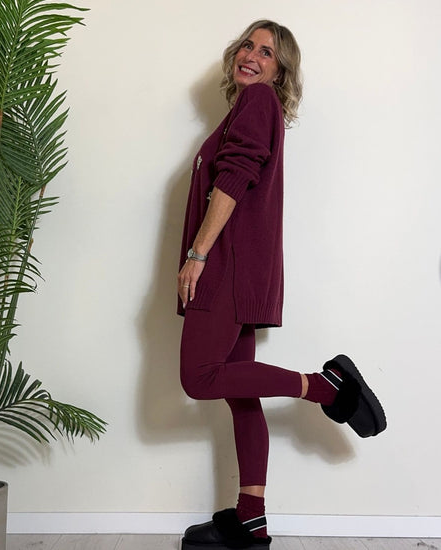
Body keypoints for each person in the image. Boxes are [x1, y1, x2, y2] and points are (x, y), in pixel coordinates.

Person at [177, 20, 386, 550]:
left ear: (280, 70)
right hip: (242, 268)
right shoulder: (247, 108)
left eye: (267, 52)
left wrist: (197, 255)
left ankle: (325, 387)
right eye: (247, 45)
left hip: (225, 267)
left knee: (198, 378)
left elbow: (234, 179)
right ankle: (252, 520)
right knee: (241, 396)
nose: (251, 55)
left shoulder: (257, 101)